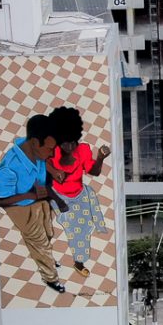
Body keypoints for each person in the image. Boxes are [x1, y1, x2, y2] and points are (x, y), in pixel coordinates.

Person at [0, 114, 69, 293]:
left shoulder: (35, 151)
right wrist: (28, 195)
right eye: (50, 148)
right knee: (39, 242)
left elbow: (43, 166)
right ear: (36, 143)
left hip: (39, 200)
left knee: (47, 233)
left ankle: (48, 258)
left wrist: (54, 174)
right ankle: (51, 278)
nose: (52, 153)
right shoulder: (9, 169)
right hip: (20, 207)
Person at [47, 107, 110, 278]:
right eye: (65, 142)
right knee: (61, 227)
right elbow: (44, 179)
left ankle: (79, 262)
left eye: (73, 141)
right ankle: (47, 260)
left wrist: (100, 158)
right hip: (56, 195)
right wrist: (60, 202)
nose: (70, 146)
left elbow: (94, 171)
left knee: (83, 229)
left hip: (80, 194)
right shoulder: (50, 153)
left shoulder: (82, 150)